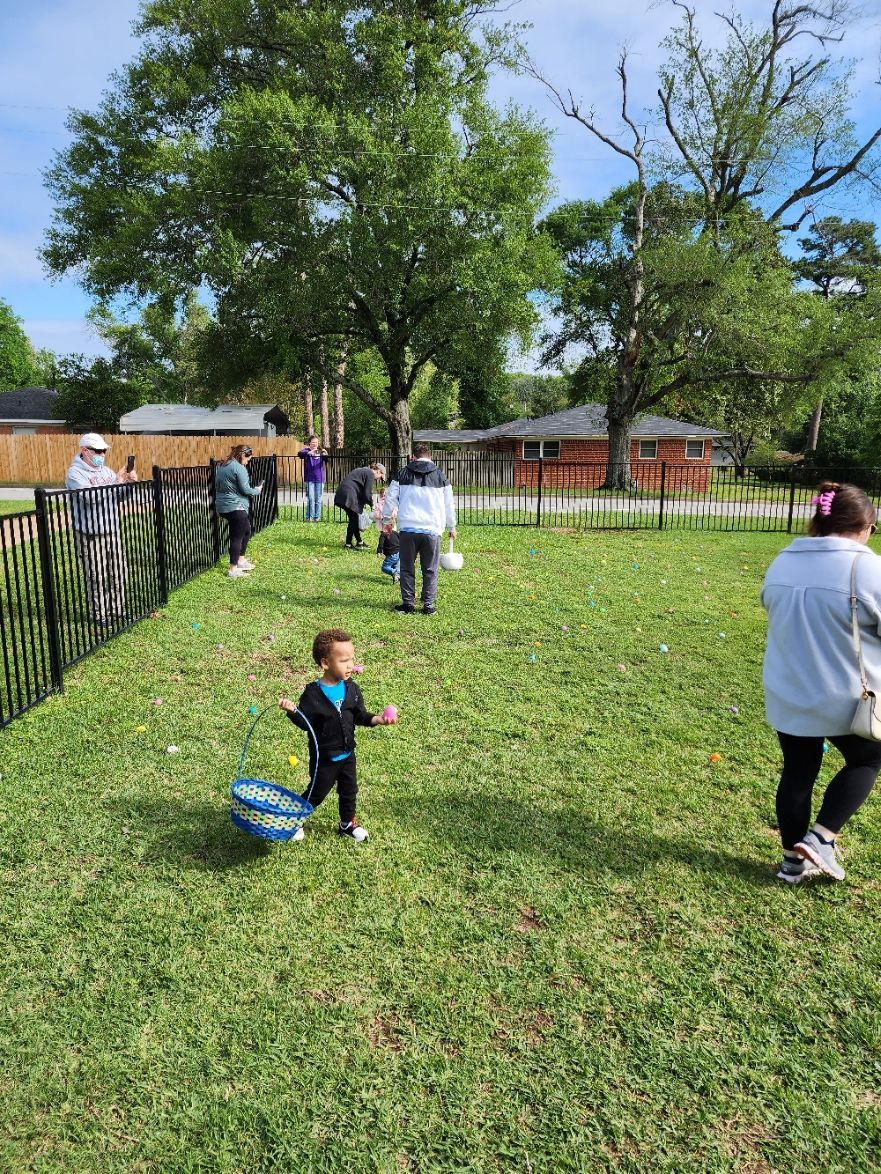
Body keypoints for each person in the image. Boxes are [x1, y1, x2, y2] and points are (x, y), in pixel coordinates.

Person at [762, 480, 881, 884]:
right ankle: (822, 837)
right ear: (865, 524)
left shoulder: (783, 559)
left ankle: (791, 863)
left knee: (798, 771)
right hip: (844, 696)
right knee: (869, 757)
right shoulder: (866, 566)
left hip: (788, 688)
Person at [279, 628, 397, 843]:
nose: (350, 665)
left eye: (352, 659)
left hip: (347, 754)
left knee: (349, 790)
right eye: (344, 661)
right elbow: (305, 723)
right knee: (316, 792)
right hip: (325, 757)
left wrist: (377, 719)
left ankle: (347, 824)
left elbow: (359, 715)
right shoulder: (312, 694)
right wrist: (293, 711)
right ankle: (293, 819)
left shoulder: (352, 689)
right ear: (325, 663)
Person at [64, 432, 138, 626]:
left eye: (104, 451)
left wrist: (129, 485)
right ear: (84, 450)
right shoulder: (75, 473)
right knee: (97, 576)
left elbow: (118, 496)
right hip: (90, 535)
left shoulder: (106, 471)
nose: (102, 454)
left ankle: (117, 610)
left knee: (119, 572)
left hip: (111, 530)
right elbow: (90, 498)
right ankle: (99, 614)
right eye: (98, 451)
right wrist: (116, 482)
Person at [382, 442, 456, 616]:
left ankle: (408, 604)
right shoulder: (440, 476)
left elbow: (390, 498)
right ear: (430, 457)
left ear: (413, 457)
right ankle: (428, 605)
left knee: (407, 567)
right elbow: (449, 505)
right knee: (430, 568)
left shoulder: (402, 473)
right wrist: (452, 526)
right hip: (432, 529)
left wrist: (387, 520)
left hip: (408, 528)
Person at [214, 444, 263, 578]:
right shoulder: (239, 468)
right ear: (242, 455)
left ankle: (241, 560)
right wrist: (257, 490)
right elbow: (245, 490)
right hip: (236, 507)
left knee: (246, 530)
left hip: (223, 506)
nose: (248, 462)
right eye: (248, 459)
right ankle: (233, 569)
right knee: (237, 537)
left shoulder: (223, 465)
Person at [333, 462, 385, 549]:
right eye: (380, 477)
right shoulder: (370, 474)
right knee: (354, 520)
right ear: (378, 471)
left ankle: (359, 542)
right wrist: (372, 505)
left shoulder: (363, 470)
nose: (378, 480)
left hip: (342, 493)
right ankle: (348, 544)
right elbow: (367, 493)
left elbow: (361, 491)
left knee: (354, 519)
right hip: (348, 495)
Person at [297, 434, 328, 522]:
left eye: (316, 442)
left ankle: (317, 517)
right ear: (309, 443)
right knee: (310, 498)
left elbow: (327, 460)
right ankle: (309, 517)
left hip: (319, 478)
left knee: (318, 499)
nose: (315, 444)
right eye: (313, 442)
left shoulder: (320, 451)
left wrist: (325, 454)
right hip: (309, 479)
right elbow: (299, 454)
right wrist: (309, 453)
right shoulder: (306, 450)